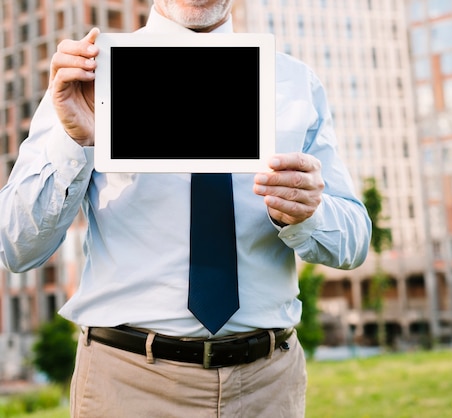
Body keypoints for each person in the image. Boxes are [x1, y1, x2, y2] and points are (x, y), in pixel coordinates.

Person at [0, 0, 372, 417]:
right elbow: (16, 247)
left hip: (268, 387)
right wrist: (74, 144)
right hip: (127, 386)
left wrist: (309, 213)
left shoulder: (295, 83)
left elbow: (354, 241)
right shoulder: (90, 76)